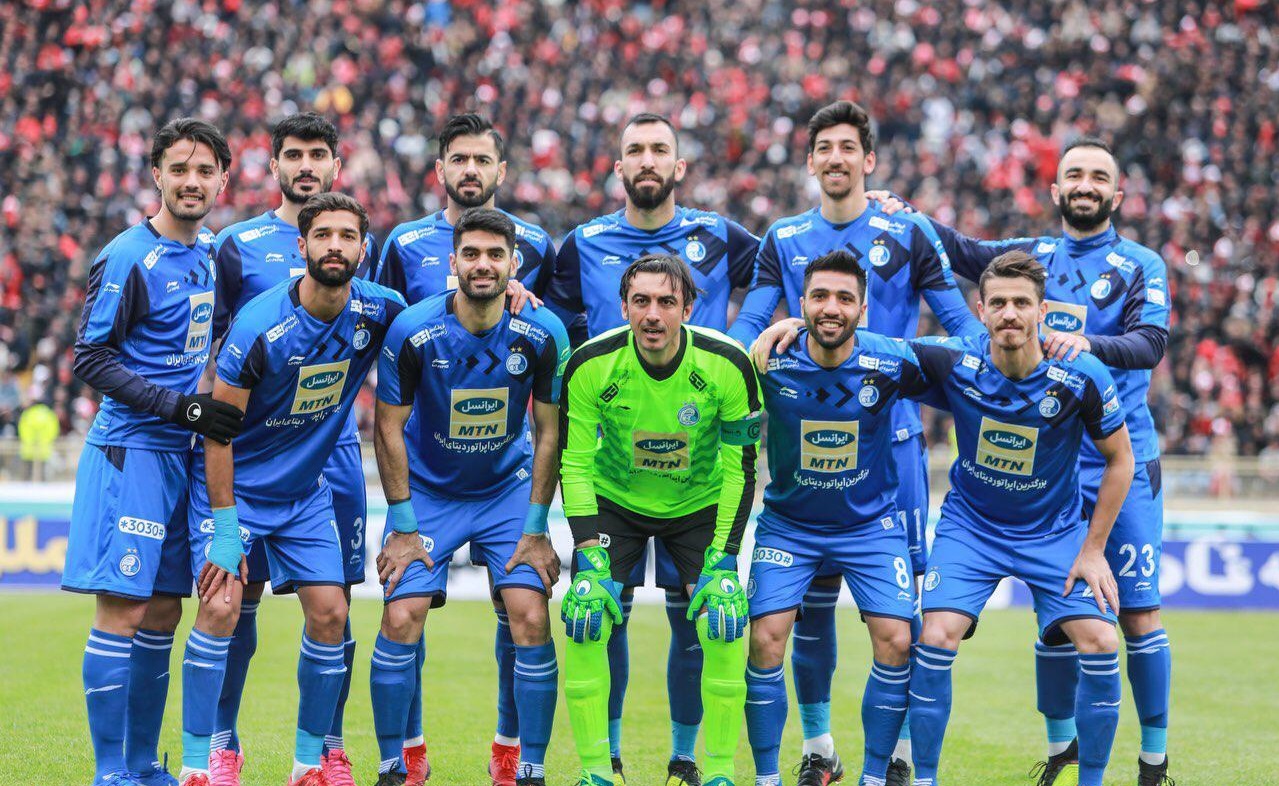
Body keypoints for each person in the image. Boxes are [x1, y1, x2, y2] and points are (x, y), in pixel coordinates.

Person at [871, 137, 1173, 786]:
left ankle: (1154, 759)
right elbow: (962, 252)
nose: (1085, 184)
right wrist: (907, 213)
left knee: (1136, 614)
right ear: (1056, 190)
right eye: (1074, 174)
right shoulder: (1032, 258)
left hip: (1111, 455)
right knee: (1055, 623)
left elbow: (1151, 343)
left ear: (1116, 194)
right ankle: (1062, 748)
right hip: (1037, 460)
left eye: (1098, 176)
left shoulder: (1139, 263)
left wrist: (1081, 344)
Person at [728, 101, 982, 785]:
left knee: (902, 619)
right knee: (806, 613)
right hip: (808, 425)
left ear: (868, 159)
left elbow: (962, 329)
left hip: (894, 444)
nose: (836, 158)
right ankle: (819, 747)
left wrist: (900, 352)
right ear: (810, 161)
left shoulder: (908, 230)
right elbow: (750, 330)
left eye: (848, 147)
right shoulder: (783, 237)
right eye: (824, 148)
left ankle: (897, 758)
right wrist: (762, 337)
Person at [546, 113, 758, 786]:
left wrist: (723, 558)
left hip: (698, 501)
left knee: (722, 617)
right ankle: (597, 770)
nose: (652, 314)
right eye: (639, 301)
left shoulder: (728, 365)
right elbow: (575, 462)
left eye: (666, 302)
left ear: (687, 308)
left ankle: (711, 770)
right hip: (617, 499)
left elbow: (742, 467)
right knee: (586, 612)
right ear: (623, 305)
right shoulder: (589, 364)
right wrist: (587, 551)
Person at [176, 193, 405, 786]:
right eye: (322, 235)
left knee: (331, 613)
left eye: (347, 236)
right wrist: (227, 530)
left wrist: (512, 293)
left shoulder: (380, 311)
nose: (335, 246)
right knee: (221, 607)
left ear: (363, 249)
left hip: (304, 495)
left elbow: (442, 320)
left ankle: (308, 765)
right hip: (237, 489)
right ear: (301, 247)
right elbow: (219, 434)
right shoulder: (258, 326)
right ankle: (198, 766)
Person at [904, 251, 1133, 786]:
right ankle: (924, 779)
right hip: (972, 529)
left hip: (1055, 533)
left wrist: (1093, 548)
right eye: (1000, 303)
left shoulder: (1081, 373)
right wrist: (795, 326)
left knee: (1102, 642)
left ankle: (1090, 781)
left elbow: (1121, 459)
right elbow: (869, 349)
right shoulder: (953, 360)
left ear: (1042, 311)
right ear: (980, 310)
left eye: (1022, 303)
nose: (1010, 313)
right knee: (935, 636)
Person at [64, 117, 240, 786]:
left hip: (185, 456)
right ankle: (110, 772)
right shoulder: (128, 256)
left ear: (222, 181)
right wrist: (180, 407)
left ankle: (142, 764)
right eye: (180, 169)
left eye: (205, 171)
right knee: (124, 608)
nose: (192, 181)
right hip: (132, 450)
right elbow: (90, 356)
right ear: (157, 175)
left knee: (166, 609)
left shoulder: (211, 252)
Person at [376, 113, 551, 785]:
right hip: (428, 477)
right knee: (405, 612)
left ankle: (517, 759)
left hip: (503, 481)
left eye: (483, 158)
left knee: (525, 613)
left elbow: (552, 379)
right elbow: (386, 330)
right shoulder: (404, 247)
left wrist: (540, 521)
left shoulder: (537, 250)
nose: (471, 170)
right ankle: (403, 759)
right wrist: (400, 517)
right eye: (459, 158)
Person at [209, 111, 378, 786]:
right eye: (294, 155)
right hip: (256, 458)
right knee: (236, 598)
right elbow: (216, 349)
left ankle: (327, 747)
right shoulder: (237, 244)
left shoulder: (361, 240)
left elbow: (397, 313)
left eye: (318, 154)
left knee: (335, 607)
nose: (306, 165)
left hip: (333, 456)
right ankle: (221, 743)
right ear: (273, 164)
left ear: (337, 165)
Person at [746, 250, 947, 786]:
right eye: (819, 297)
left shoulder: (891, 360)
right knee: (766, 637)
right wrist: (774, 332)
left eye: (843, 298)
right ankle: (769, 778)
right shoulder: (769, 359)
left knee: (897, 639)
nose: (830, 308)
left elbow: (971, 365)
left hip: (869, 527)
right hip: (790, 526)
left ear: (863, 309)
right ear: (802, 304)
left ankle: (875, 776)